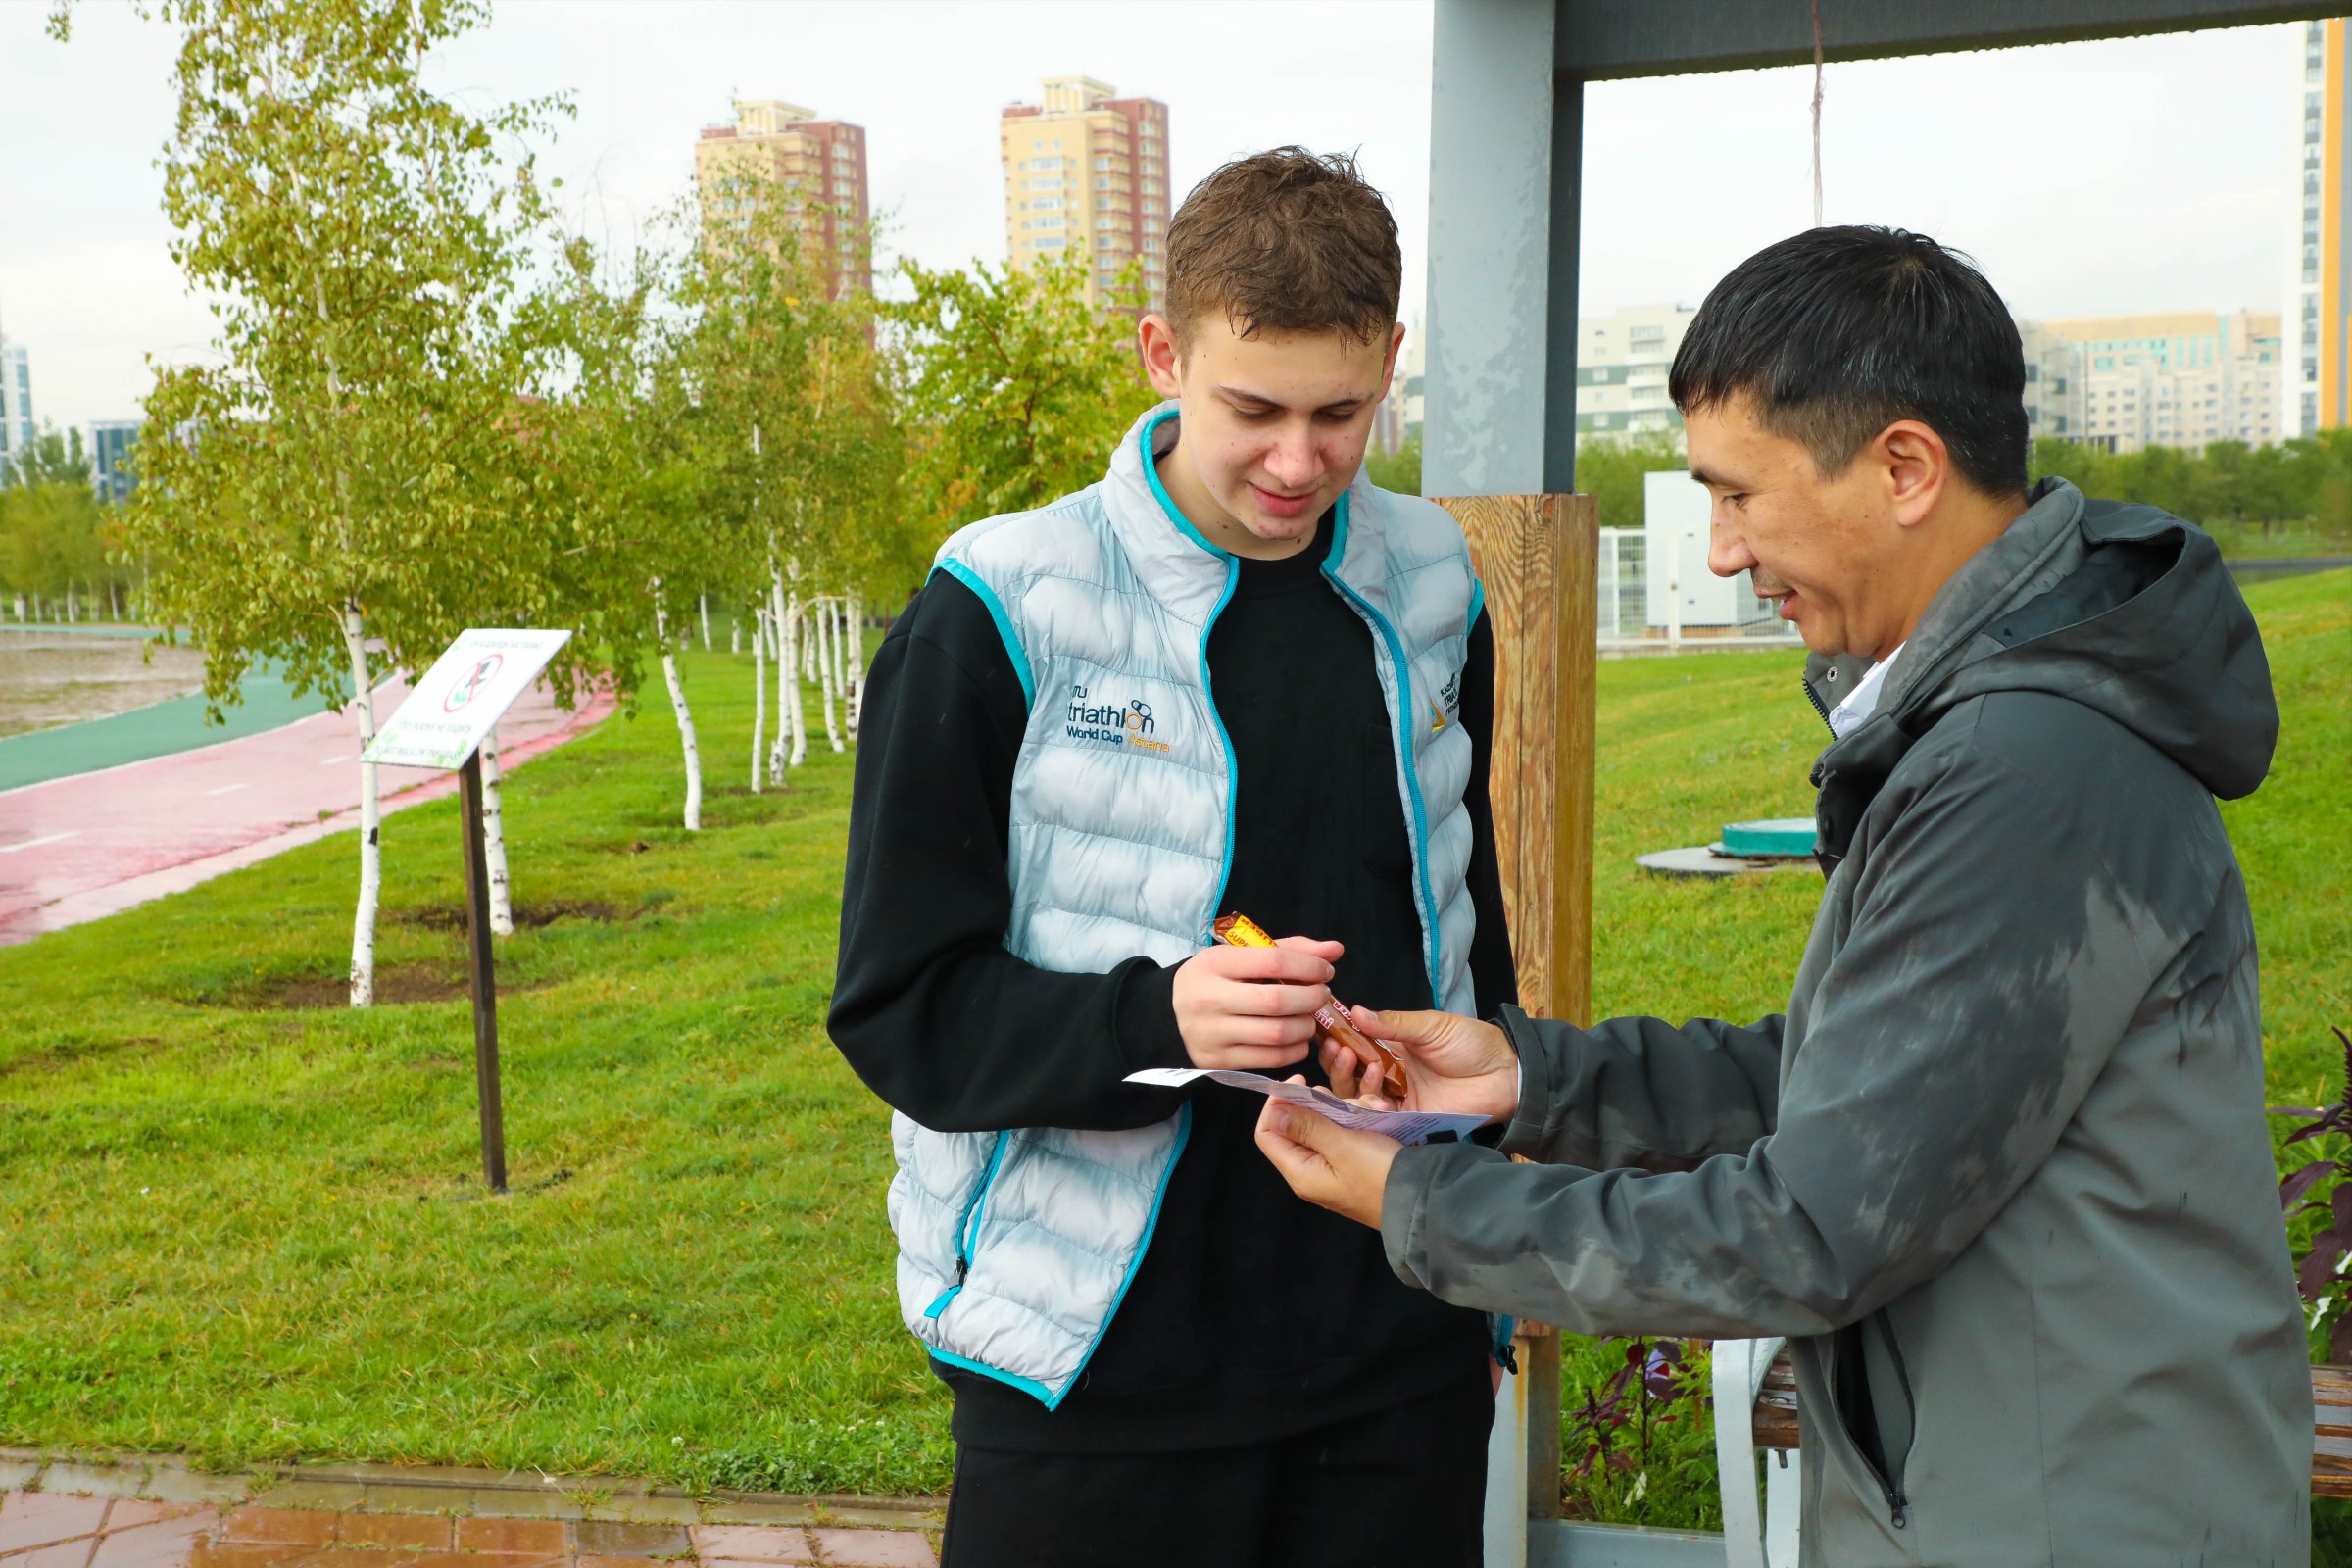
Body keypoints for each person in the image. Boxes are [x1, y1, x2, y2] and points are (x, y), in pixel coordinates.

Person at [1255, 225, 2311, 1565]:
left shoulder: (2025, 768)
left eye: (1739, 494)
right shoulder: (1997, 726)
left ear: (1906, 469)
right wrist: (1531, 1081)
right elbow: (1881, 1083)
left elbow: (1810, 1229)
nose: (1720, 552)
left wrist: (1423, 1205)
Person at [830, 147, 1517, 1568]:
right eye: (1253, 410)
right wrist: (1156, 1021)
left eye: (1340, 414)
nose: (1298, 463)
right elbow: (901, 1009)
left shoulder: (1438, 583)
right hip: (1093, 1383)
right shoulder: (1000, 605)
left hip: (1399, 1358)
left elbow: (1469, 926)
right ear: (1164, 355)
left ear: (1391, 362)